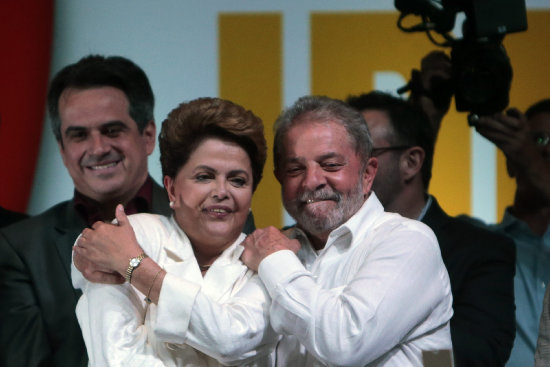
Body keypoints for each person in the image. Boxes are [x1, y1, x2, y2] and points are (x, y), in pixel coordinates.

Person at [240, 95, 454, 366]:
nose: (312, 181)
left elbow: (345, 343)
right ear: (280, 178)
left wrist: (274, 261)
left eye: (331, 165)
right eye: (295, 169)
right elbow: (234, 343)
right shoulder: (273, 248)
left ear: (367, 174)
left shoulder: (409, 241)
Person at [72, 97, 278, 366]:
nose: (222, 192)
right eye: (204, 176)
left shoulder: (268, 262)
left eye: (237, 180)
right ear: (171, 189)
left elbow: (235, 341)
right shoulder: (133, 234)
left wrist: (136, 267)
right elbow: (117, 357)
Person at [0, 55, 172, 367]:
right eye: (79, 135)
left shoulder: (209, 222)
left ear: (147, 136)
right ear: (62, 149)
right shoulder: (20, 248)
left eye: (112, 130)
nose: (97, 148)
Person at [347, 91, 517, 366]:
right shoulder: (306, 242)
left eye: (363, 153)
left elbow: (472, 353)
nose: (344, 170)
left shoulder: (481, 251)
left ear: (411, 162)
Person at [474, 99, 550, 367]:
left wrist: (531, 159)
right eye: (538, 140)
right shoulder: (475, 243)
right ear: (510, 163)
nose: (546, 151)